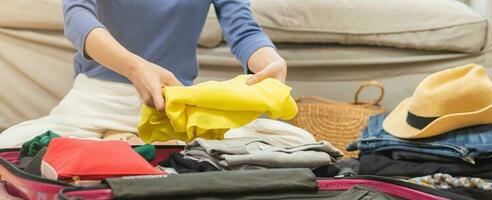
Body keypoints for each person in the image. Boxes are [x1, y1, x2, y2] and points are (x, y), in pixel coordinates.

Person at [0, 0, 287, 148]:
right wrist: (134, 67)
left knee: (294, 146)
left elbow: (243, 27)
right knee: (11, 149)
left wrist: (269, 60)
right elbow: (77, 15)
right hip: (99, 99)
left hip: (177, 104)